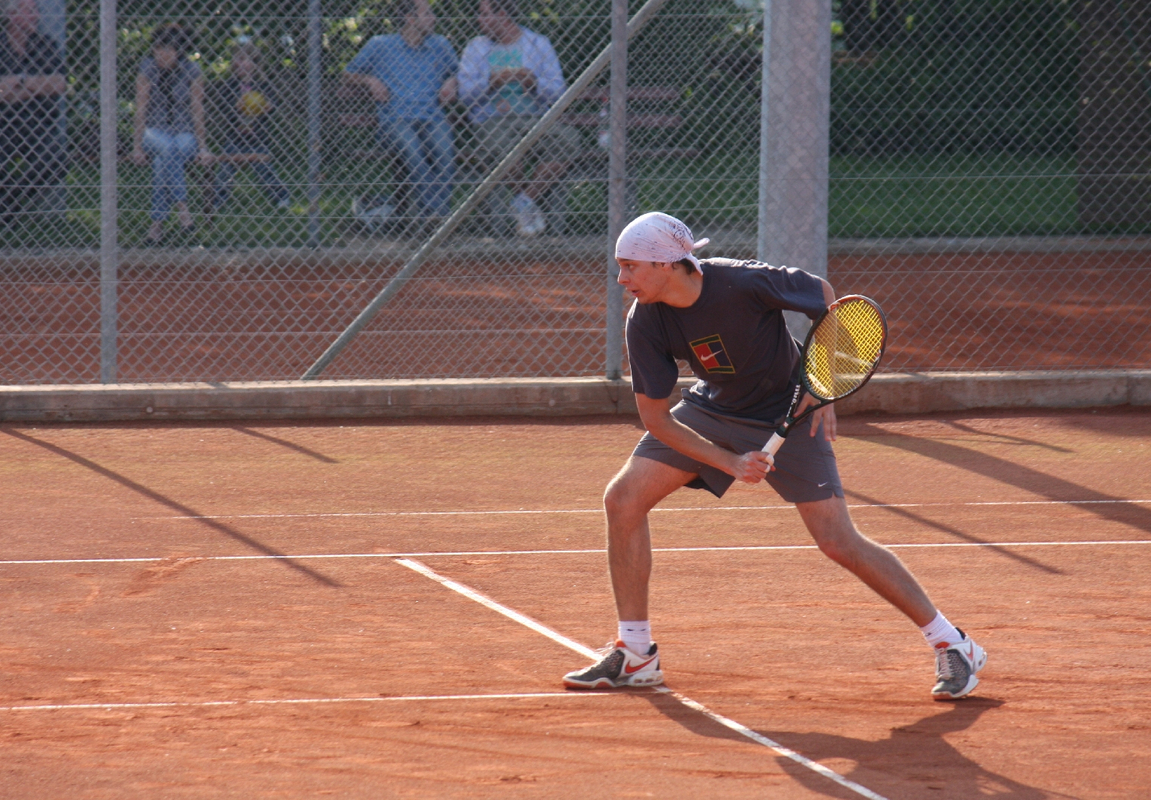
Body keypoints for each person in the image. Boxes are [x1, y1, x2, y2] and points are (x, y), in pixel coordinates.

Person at [563, 212, 988, 701]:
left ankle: (953, 644)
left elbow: (825, 296)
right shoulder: (646, 320)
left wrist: (825, 384)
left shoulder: (742, 282)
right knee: (623, 499)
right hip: (714, 409)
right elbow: (657, 420)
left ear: (666, 264)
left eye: (630, 266)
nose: (622, 279)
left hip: (791, 410)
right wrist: (728, 462)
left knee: (838, 541)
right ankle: (637, 653)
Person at [457, 0, 579, 236]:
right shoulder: (475, 47)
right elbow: (465, 94)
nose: (479, 20)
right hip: (492, 120)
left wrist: (534, 83)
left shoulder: (537, 44)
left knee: (568, 139)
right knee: (503, 149)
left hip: (535, 117)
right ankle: (526, 208)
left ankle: (523, 201)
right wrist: (491, 82)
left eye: (484, 14)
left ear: (502, 15)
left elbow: (558, 91)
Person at [344, 0, 458, 225]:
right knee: (413, 153)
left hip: (431, 117)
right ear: (410, 18)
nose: (434, 18)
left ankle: (435, 217)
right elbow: (348, 74)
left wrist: (452, 82)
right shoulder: (381, 45)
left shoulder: (440, 45)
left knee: (446, 154)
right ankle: (437, 217)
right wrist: (370, 80)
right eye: (427, 14)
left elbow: (457, 73)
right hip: (395, 120)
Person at [132, 24, 212, 245]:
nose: (162, 54)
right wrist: (137, 146)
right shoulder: (147, 69)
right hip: (153, 133)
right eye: (158, 49)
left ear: (179, 51)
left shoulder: (192, 71)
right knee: (167, 148)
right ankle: (183, 209)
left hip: (184, 133)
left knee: (164, 160)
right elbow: (141, 109)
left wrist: (203, 147)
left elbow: (197, 110)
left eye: (168, 49)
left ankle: (156, 227)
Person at [0, 0, 67, 229]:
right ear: (12, 14)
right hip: (2, 123)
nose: (36, 16)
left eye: (36, 10)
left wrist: (20, 82)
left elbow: (59, 84)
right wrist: (36, 86)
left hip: (39, 123)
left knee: (58, 156)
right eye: (29, 10)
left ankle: (11, 198)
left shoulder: (45, 45)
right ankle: (2, 209)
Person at [210, 43, 291, 212]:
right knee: (225, 171)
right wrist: (236, 106)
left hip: (257, 138)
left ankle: (281, 197)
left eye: (242, 59)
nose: (238, 63)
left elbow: (272, 103)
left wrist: (266, 106)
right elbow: (224, 107)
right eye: (236, 60)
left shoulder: (263, 85)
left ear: (254, 62)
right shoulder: (230, 85)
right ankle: (217, 200)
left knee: (265, 170)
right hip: (235, 137)